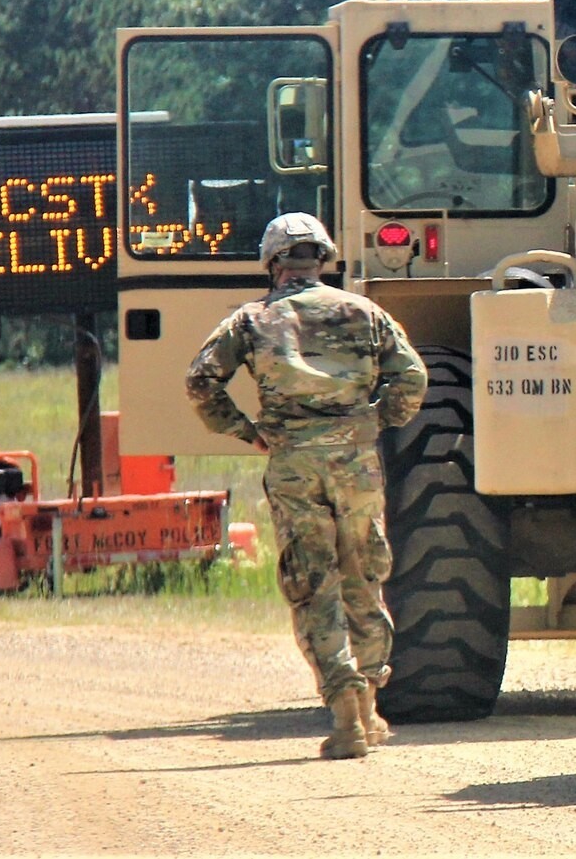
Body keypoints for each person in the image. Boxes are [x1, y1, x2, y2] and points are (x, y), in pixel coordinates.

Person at [185, 212, 426, 759]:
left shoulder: (251, 320)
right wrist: (373, 422)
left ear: (273, 264)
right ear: (324, 258)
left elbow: (200, 380)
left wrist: (247, 432)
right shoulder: (365, 312)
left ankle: (345, 714)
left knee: (312, 582)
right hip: (357, 463)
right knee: (364, 575)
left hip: (294, 463)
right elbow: (412, 376)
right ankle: (370, 706)